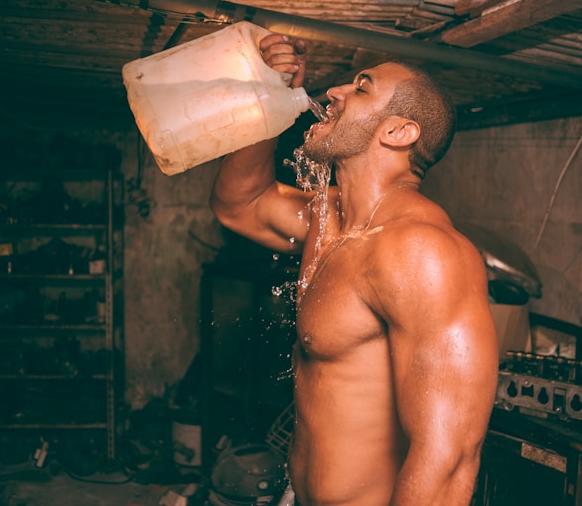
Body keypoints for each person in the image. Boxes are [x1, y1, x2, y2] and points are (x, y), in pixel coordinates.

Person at [209, 32, 499, 506]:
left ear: (399, 132)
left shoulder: (420, 250)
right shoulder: (328, 219)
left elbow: (448, 460)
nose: (333, 93)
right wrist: (270, 95)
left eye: (361, 88)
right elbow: (238, 204)